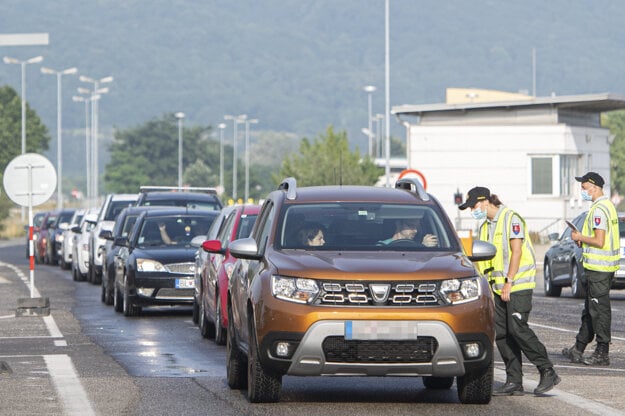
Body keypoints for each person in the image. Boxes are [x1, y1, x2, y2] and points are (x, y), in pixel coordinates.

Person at [459, 186, 560, 396]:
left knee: (518, 329)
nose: (472, 211)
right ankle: (514, 381)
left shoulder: (511, 218)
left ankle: (547, 370)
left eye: (474, 206)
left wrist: (509, 282)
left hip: (517, 285)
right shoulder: (485, 226)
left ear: (485, 201)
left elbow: (516, 251)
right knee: (503, 335)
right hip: (496, 289)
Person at [563, 172, 619, 366]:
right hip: (602, 267)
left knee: (599, 311)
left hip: (599, 269)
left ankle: (602, 352)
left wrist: (579, 237)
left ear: (594, 187)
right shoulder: (608, 206)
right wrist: (583, 242)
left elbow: (599, 240)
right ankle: (578, 348)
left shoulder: (599, 209)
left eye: (584, 187)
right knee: (591, 309)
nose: (582, 191)